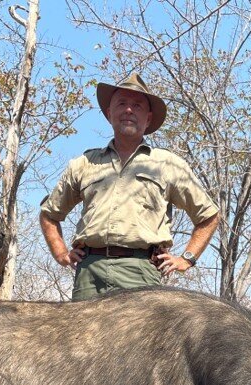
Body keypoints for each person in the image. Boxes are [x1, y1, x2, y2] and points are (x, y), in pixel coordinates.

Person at [39, 73, 219, 300]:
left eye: (137, 105)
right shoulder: (84, 164)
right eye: (121, 103)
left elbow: (209, 216)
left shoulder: (168, 164)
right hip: (89, 272)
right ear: (108, 113)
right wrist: (61, 253)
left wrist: (187, 258)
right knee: (82, 337)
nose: (128, 110)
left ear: (148, 118)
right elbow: (49, 214)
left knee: (145, 337)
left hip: (141, 271)